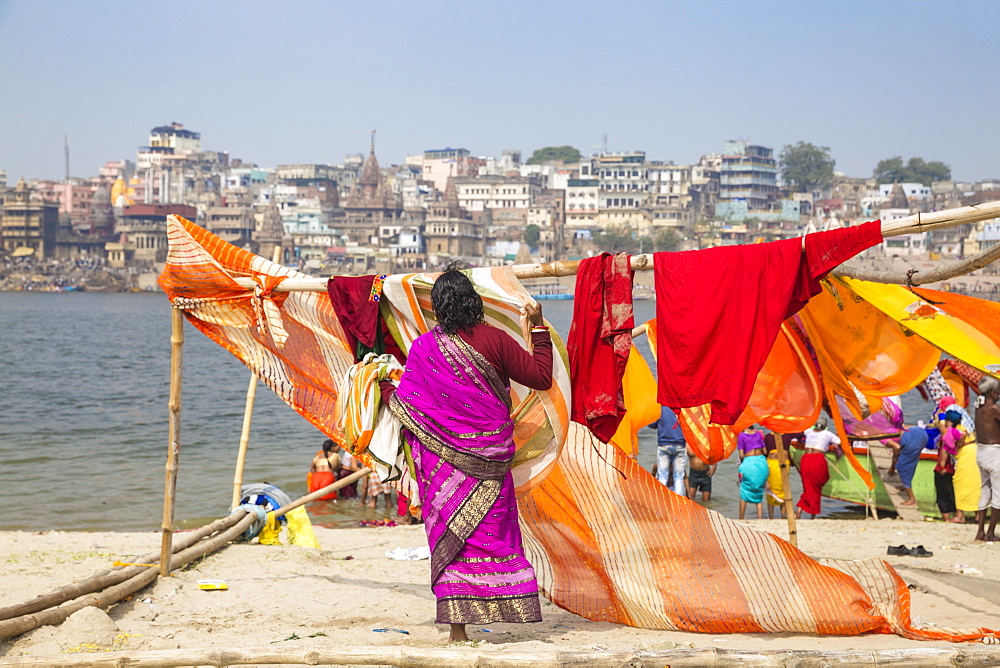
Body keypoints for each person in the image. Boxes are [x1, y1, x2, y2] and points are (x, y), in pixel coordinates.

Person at [385, 267, 552, 643]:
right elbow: (541, 377)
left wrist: (382, 388)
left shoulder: (425, 348)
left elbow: (409, 406)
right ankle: (508, 605)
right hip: (491, 462)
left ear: (438, 307)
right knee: (492, 535)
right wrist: (539, 329)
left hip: (444, 467)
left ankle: (458, 631)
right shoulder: (496, 340)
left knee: (453, 535)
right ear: (474, 301)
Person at [796, 417, 839, 519]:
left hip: (805, 459)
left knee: (808, 487)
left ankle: (798, 511)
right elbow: (840, 442)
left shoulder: (808, 431)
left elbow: (798, 434)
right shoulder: (828, 434)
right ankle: (812, 516)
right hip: (817, 459)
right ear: (825, 427)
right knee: (816, 487)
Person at [973, 377, 1000, 541]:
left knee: (985, 492)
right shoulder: (994, 408)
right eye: (998, 392)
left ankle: (980, 532)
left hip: (981, 452)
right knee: (998, 494)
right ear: (991, 392)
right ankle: (990, 533)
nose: (999, 395)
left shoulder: (979, 408)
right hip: (994, 453)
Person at [935, 410, 964, 522]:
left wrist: (942, 465)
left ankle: (946, 519)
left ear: (949, 421)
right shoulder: (958, 433)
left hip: (944, 467)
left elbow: (944, 450)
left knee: (942, 494)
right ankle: (957, 515)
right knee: (951, 492)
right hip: (952, 467)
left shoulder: (948, 433)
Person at [762, 432, 800, 519]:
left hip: (783, 464)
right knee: (771, 488)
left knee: (784, 488)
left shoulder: (788, 435)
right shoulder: (768, 436)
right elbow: (764, 452)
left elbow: (800, 435)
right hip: (772, 463)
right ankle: (771, 517)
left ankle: (783, 515)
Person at [651, 406, 688, 495]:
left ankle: (661, 499)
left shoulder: (660, 409)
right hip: (680, 444)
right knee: (679, 476)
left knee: (663, 475)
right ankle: (679, 501)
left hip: (664, 444)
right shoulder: (683, 408)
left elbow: (651, 424)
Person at [890, 425, 928, 508]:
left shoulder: (885, 438)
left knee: (903, 466)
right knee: (912, 462)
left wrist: (893, 466)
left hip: (910, 440)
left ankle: (912, 499)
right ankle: (905, 486)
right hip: (920, 432)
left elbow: (896, 449)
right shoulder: (892, 427)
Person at [736, 425, 768, 520]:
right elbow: (765, 451)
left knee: (744, 490)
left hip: (749, 462)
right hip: (761, 462)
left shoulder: (741, 436)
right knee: (759, 491)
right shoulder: (758, 434)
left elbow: (741, 455)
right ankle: (760, 518)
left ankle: (741, 518)